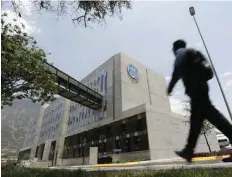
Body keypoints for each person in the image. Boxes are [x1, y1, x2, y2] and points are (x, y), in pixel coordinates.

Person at [167, 39, 232, 163]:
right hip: (201, 87)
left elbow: (176, 74)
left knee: (213, 118)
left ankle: (188, 151)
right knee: (196, 122)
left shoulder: (180, 54)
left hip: (196, 89)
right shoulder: (191, 52)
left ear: (175, 48)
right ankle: (188, 151)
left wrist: (169, 89)